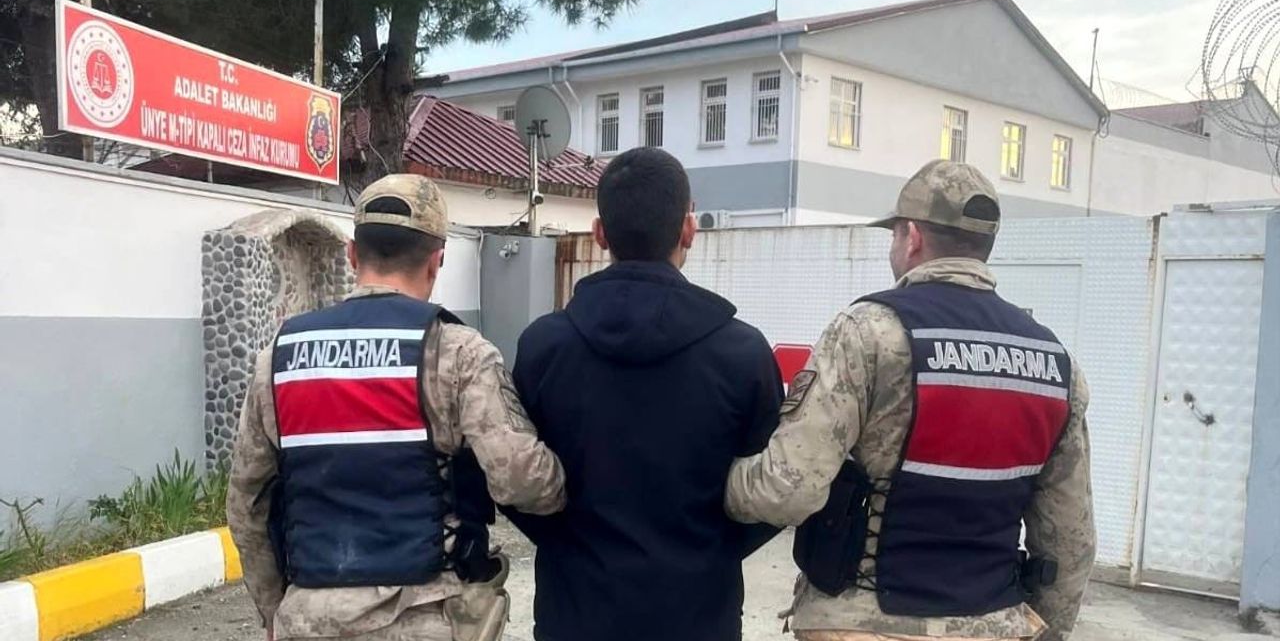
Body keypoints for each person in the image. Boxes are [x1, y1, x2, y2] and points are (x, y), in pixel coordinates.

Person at [726, 159, 1096, 641]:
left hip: (863, 623)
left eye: (894, 234)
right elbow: (1070, 540)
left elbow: (789, 488)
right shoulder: (1056, 364)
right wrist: (1047, 629)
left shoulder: (867, 332)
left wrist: (715, 482)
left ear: (912, 237)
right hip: (994, 624)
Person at [227, 174, 566, 641]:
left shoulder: (278, 358)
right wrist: (569, 484)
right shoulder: (459, 353)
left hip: (307, 620)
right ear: (437, 260)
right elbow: (519, 480)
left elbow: (246, 504)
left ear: (352, 254)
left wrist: (275, 611)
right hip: (428, 618)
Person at [506, 147, 784, 641]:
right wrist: (708, 550)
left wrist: (569, 545)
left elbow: (513, 477)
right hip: (699, 616)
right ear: (689, 229)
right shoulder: (742, 353)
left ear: (599, 233)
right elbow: (772, 487)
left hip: (575, 614)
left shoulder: (543, 346)